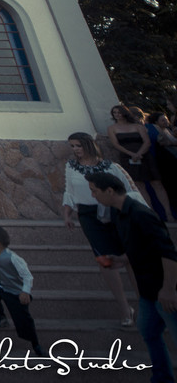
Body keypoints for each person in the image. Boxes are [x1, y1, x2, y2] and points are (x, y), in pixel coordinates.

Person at [88, 170, 177, 383]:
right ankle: (162, 377)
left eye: (95, 191)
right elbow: (142, 246)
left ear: (110, 191)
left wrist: (169, 289)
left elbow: (169, 253)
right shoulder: (119, 214)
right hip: (148, 291)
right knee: (148, 331)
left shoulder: (140, 213)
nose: (93, 196)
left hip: (164, 289)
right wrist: (122, 259)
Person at [60, 131, 137, 326]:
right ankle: (124, 308)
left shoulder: (110, 167)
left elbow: (128, 190)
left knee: (129, 255)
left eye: (78, 145)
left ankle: (144, 302)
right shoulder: (72, 167)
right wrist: (67, 213)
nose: (75, 150)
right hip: (88, 215)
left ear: (88, 145)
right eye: (72, 146)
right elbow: (69, 191)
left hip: (114, 211)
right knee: (104, 259)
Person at [0, 225, 43, 357]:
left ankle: (36, 345)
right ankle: (0, 319)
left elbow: (27, 275)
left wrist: (25, 291)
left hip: (15, 292)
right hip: (0, 286)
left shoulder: (13, 257)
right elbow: (0, 270)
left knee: (23, 319)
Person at [108, 104, 171, 220]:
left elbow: (146, 141)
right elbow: (116, 144)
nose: (117, 115)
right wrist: (131, 154)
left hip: (144, 155)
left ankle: (168, 213)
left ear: (124, 113)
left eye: (119, 112)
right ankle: (151, 213)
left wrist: (139, 153)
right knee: (139, 185)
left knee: (157, 183)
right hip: (128, 156)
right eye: (114, 113)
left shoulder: (137, 126)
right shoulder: (112, 128)